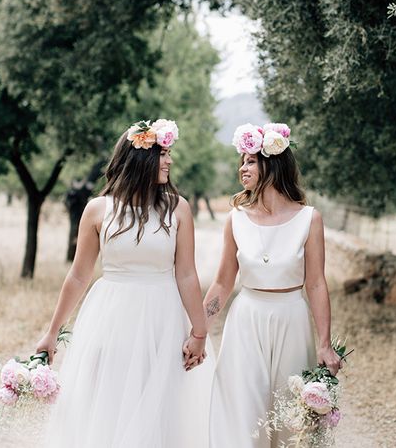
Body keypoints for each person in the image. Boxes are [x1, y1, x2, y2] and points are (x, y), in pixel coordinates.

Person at [36, 119, 212, 448]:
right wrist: (51, 331)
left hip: (162, 318)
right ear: (141, 158)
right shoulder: (98, 210)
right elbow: (78, 275)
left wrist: (199, 332)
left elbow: (186, 274)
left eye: (170, 154)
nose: (169, 161)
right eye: (163, 154)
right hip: (110, 318)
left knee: (158, 407)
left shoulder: (179, 209)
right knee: (109, 403)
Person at [205, 122, 341, 448]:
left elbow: (317, 284)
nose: (242, 168)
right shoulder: (235, 219)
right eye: (242, 161)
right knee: (244, 414)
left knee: (289, 416)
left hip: (291, 319)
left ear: (272, 162)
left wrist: (324, 343)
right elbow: (223, 283)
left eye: (250, 161)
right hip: (246, 320)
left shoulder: (310, 219)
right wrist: (197, 329)